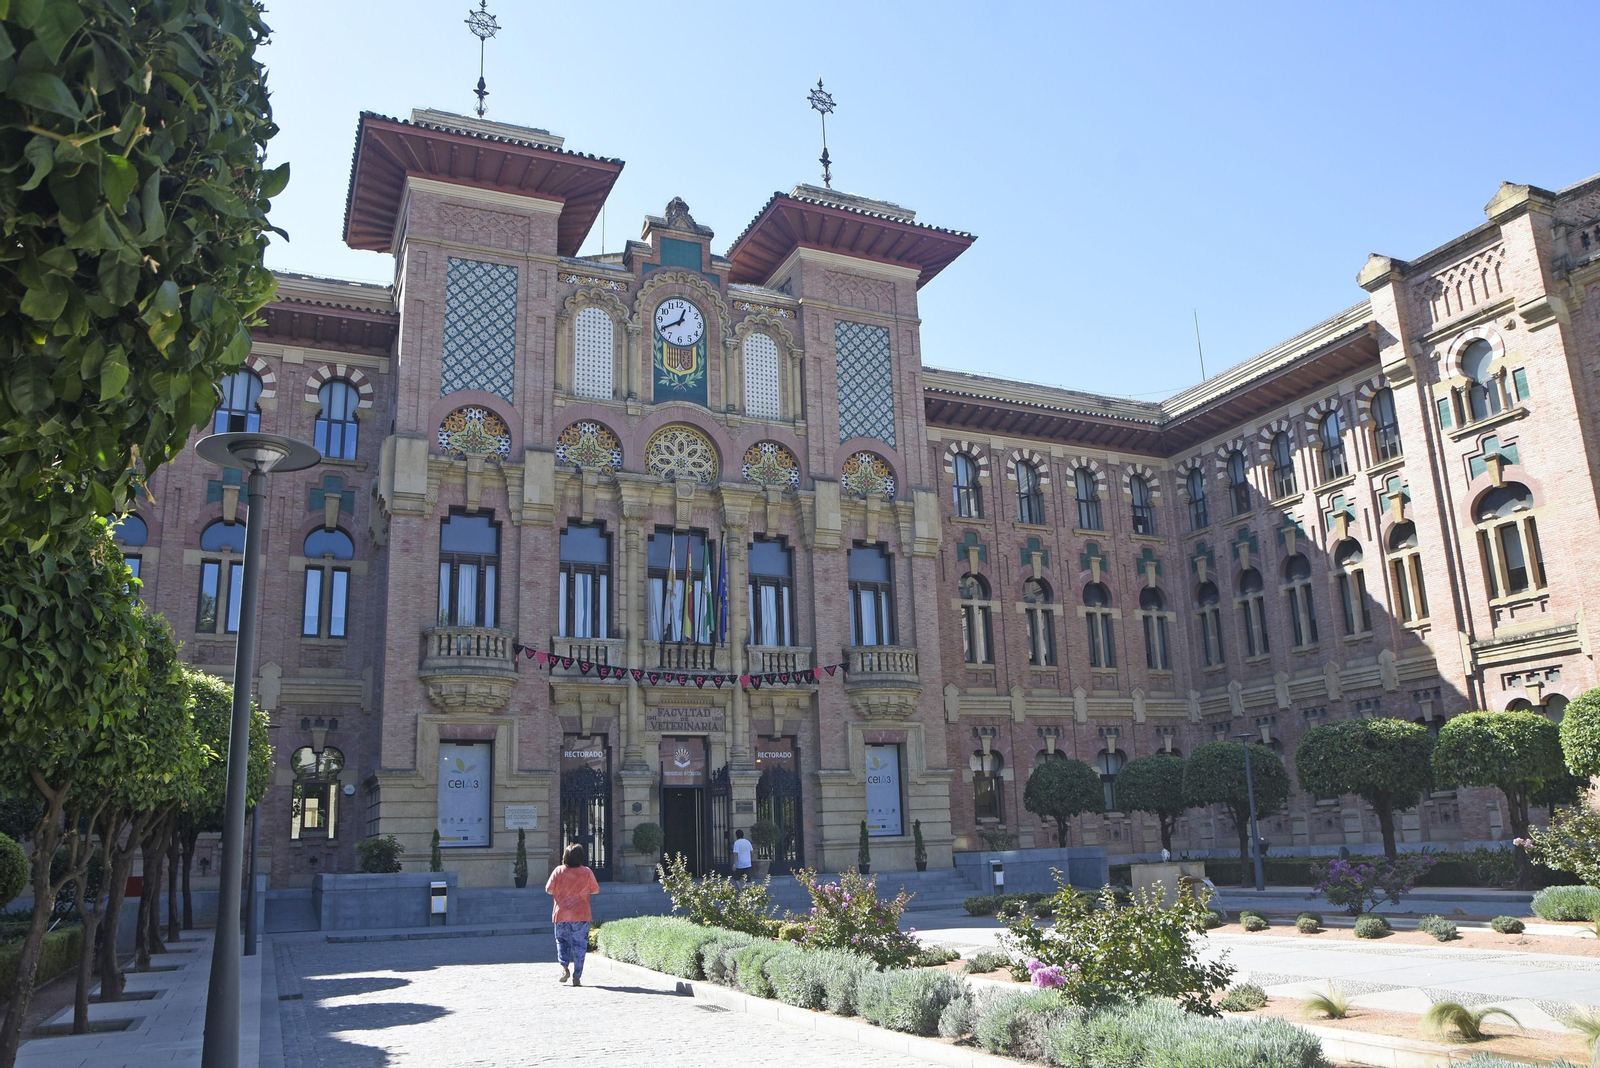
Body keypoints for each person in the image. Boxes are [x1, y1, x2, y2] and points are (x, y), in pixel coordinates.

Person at [545, 842, 601, 986]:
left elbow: (549, 890)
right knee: (580, 945)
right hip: (581, 914)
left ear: (565, 856)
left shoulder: (558, 871)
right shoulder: (587, 872)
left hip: (562, 914)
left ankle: (564, 967)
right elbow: (595, 890)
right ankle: (577, 977)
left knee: (562, 942)